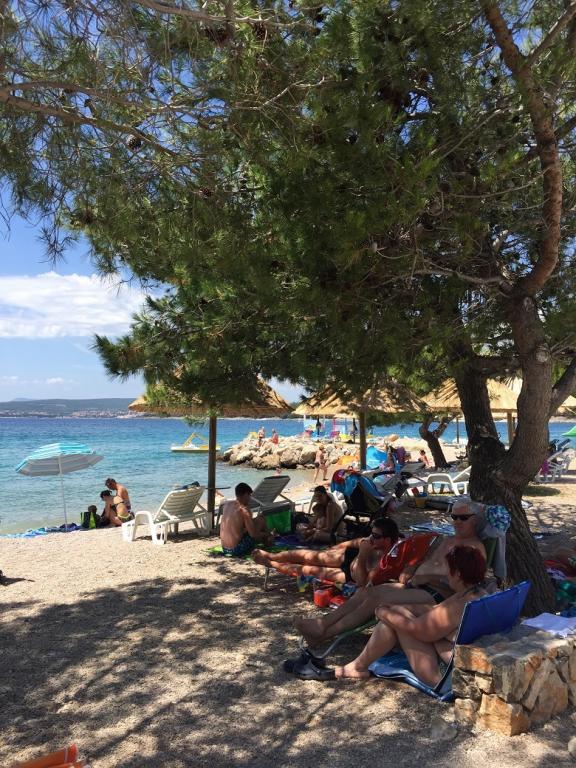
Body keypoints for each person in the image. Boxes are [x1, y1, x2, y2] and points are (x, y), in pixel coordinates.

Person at [294, 499, 486, 647]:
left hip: (438, 594)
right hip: (417, 584)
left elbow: (467, 582)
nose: (457, 522)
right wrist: (412, 568)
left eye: (463, 518)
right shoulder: (447, 540)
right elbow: (427, 560)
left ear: (475, 520)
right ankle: (321, 625)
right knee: (365, 591)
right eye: (454, 517)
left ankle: (323, 633)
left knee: (376, 599)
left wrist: (427, 577)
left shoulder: (474, 548)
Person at [327, 546, 489, 683]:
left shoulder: (460, 605)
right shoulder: (477, 594)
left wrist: (382, 612)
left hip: (443, 675)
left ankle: (357, 667)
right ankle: (358, 666)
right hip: (453, 663)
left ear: (458, 574)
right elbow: (435, 610)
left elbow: (419, 629)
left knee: (394, 622)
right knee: (397, 615)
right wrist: (400, 608)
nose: (446, 575)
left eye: (448, 570)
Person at [253, 517, 400, 586]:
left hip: (351, 575)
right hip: (350, 556)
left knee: (309, 570)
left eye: (376, 536)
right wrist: (338, 547)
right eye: (372, 534)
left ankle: (270, 563)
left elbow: (363, 583)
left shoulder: (387, 561)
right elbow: (358, 541)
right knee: (309, 556)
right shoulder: (374, 541)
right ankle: (272, 555)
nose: (371, 538)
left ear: (387, 540)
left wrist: (362, 554)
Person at [219, 482, 272, 557]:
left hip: (225, 549)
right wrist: (267, 534)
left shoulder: (227, 504)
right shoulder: (244, 509)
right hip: (236, 550)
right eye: (249, 495)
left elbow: (238, 525)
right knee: (261, 520)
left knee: (257, 521)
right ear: (246, 495)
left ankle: (268, 540)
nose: (250, 498)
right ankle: (269, 541)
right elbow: (253, 534)